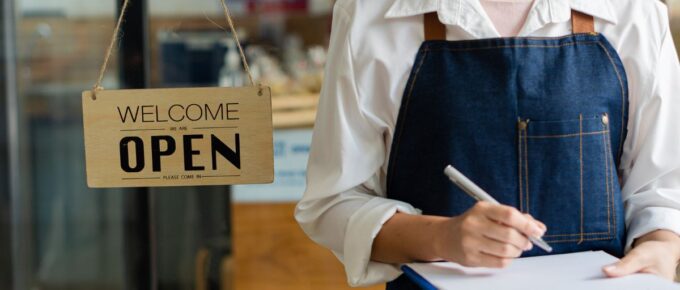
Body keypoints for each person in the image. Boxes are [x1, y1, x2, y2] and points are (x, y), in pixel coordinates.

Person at [295, 0, 680, 289]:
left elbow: (663, 187)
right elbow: (333, 202)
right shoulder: (371, 14)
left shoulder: (632, 10)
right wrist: (441, 237)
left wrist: (662, 246)